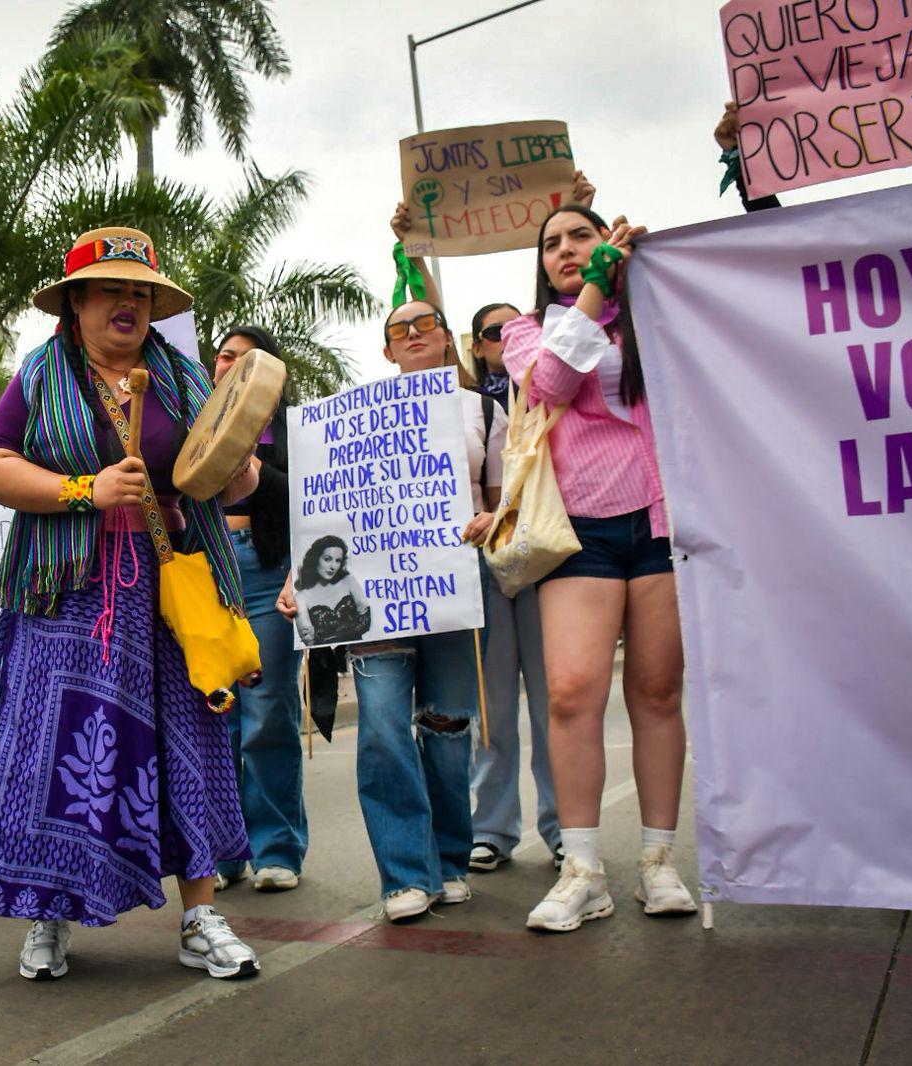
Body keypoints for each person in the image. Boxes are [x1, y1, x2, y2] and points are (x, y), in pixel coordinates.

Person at [0, 225, 262, 982]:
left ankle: (201, 916)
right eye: (112, 289)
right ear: (77, 301)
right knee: (54, 750)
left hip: (172, 595)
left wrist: (238, 469)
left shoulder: (183, 377)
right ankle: (49, 915)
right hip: (65, 599)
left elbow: (226, 478)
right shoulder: (42, 375)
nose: (129, 303)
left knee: (191, 746)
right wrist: (84, 490)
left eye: (141, 292)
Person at [501, 204, 696, 932]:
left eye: (580, 236)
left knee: (656, 690)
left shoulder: (652, 314)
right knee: (573, 692)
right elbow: (550, 383)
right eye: (550, 244)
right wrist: (592, 292)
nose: (565, 249)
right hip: (579, 526)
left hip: (660, 518)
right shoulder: (527, 330)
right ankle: (583, 868)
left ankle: (658, 860)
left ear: (607, 241)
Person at [282, 298, 505, 923]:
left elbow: (501, 500)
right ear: (386, 350)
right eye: (398, 330)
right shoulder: (353, 420)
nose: (412, 335)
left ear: (445, 339)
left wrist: (491, 520)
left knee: (447, 724)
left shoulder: (483, 409)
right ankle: (405, 873)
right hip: (375, 598)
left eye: (424, 325)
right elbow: (324, 509)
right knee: (381, 727)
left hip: (451, 587)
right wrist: (297, 578)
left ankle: (451, 859)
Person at [209, 325, 307, 895]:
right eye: (224, 356)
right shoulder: (188, 420)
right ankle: (224, 852)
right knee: (215, 715)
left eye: (246, 359)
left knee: (267, 713)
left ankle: (277, 848)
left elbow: (307, 500)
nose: (231, 366)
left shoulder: (293, 431)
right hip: (208, 573)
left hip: (269, 572)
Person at [465, 302, 561, 874]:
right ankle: (493, 829)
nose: (506, 337)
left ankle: (564, 828)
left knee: (558, 703)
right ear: (476, 346)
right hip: (489, 561)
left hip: (548, 559)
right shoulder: (470, 404)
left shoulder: (554, 387)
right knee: (491, 706)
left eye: (517, 326)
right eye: (493, 332)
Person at [292, 537, 370, 646]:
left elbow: (365, 623)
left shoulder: (348, 581)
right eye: (327, 559)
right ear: (316, 559)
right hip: (324, 657)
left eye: (338, 561)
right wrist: (350, 627)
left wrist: (324, 635)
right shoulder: (301, 597)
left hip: (356, 651)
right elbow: (309, 640)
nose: (333, 566)